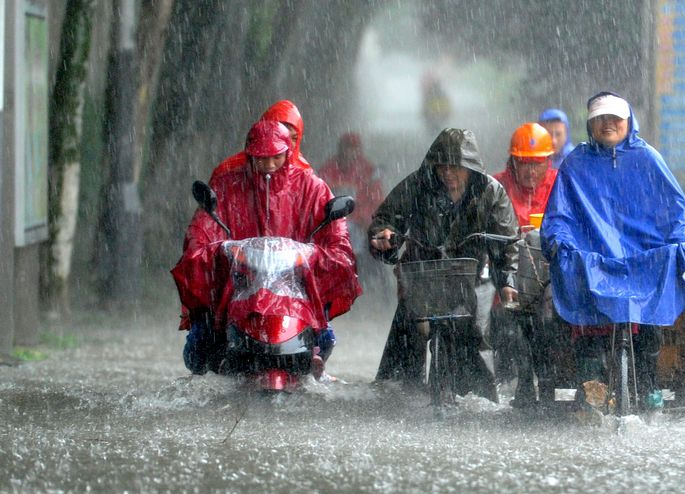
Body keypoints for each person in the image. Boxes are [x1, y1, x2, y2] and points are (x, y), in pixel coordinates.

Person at [541, 92, 685, 405]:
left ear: (628, 121)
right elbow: (559, 217)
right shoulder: (576, 165)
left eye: (614, 118)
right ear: (590, 124)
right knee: (587, 320)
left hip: (645, 259)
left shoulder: (649, 159)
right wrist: (560, 242)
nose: (608, 124)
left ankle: (648, 383)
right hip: (594, 260)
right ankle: (592, 385)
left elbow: (678, 214)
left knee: (650, 318)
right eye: (600, 118)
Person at [172, 121, 361, 377]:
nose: (270, 165)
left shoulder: (312, 187)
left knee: (324, 336)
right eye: (262, 159)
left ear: (289, 151)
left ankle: (310, 359)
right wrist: (221, 251)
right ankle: (223, 362)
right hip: (238, 286)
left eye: (276, 157)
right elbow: (200, 233)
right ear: (249, 154)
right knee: (200, 343)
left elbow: (337, 239)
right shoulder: (227, 185)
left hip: (297, 289)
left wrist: (315, 255)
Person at [368, 128, 519, 400]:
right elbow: (387, 218)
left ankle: (479, 396)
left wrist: (507, 281)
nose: (449, 173)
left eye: (456, 167)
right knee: (408, 329)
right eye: (443, 166)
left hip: (471, 276)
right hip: (423, 274)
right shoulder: (418, 184)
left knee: (476, 332)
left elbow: (507, 242)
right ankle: (397, 392)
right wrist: (385, 236)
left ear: (470, 167)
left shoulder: (491, 192)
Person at [492, 122, 560, 404]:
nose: (531, 172)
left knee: (548, 319)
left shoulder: (561, 184)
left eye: (538, 164)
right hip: (509, 275)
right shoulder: (496, 187)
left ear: (548, 162)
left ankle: (546, 381)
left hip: (550, 275)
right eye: (524, 164)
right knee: (508, 319)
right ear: (513, 163)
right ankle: (519, 379)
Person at [319, 133, 385, 290]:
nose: (349, 153)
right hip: (335, 223)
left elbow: (376, 200)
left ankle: (375, 287)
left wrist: (364, 219)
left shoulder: (369, 171)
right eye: (346, 149)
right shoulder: (328, 170)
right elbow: (320, 198)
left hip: (361, 224)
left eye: (353, 149)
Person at [210, 100, 311, 180]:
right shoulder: (229, 170)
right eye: (281, 136)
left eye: (294, 138)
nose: (289, 144)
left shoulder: (305, 176)